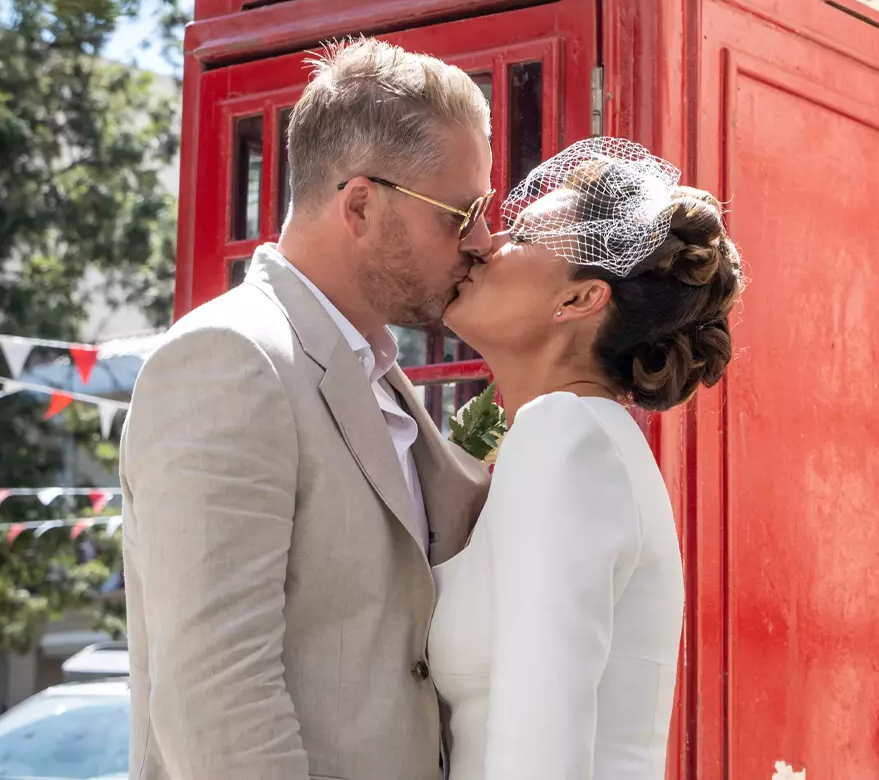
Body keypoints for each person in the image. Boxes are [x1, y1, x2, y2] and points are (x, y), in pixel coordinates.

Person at [120, 38, 495, 780]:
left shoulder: (382, 375)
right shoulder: (229, 359)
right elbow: (217, 694)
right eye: (460, 213)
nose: (482, 242)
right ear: (359, 204)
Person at [429, 137, 744, 780]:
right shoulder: (575, 437)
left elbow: (539, 754)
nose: (483, 243)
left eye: (518, 234)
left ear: (579, 301)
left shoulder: (563, 437)